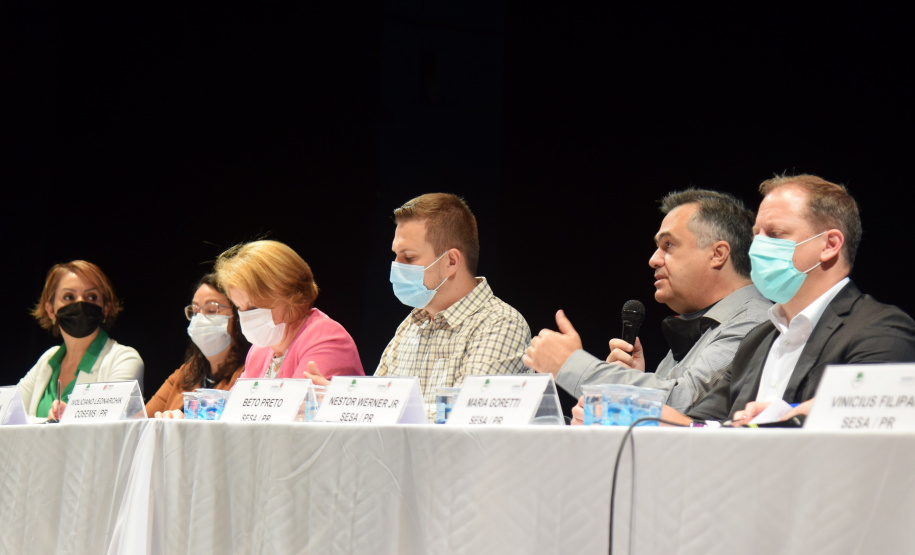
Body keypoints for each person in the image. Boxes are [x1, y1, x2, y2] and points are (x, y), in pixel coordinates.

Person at [656, 174, 915, 425]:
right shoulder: (756, 342)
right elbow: (697, 425)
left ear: (829, 245)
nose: (757, 247)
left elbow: (871, 427)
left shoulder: (881, 331)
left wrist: (786, 416)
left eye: (775, 234)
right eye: (756, 234)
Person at [524, 189, 771, 415]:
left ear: (718, 254)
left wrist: (571, 364)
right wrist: (620, 394)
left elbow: (681, 403)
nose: (654, 260)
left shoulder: (755, 322)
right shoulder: (701, 325)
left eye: (669, 245)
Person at [305, 193, 531, 421]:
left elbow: (467, 415)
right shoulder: (411, 326)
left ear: (451, 261)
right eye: (396, 255)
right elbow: (375, 406)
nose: (396, 266)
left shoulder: (501, 324)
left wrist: (362, 407)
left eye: (409, 257)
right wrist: (340, 402)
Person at [214, 239, 364, 381]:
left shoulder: (326, 339)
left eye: (254, 307)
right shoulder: (259, 351)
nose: (246, 317)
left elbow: (297, 406)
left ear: (290, 297)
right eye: (240, 307)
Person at [18, 260, 144, 423]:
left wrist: (49, 424)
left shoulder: (124, 360)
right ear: (50, 310)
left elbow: (107, 427)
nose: (80, 304)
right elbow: (8, 416)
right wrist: (46, 424)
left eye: (91, 297)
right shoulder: (47, 360)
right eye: (69, 297)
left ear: (105, 309)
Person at [145, 274, 250, 418]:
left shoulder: (248, 374)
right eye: (195, 312)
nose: (200, 319)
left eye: (212, 310)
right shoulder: (186, 373)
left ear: (237, 315)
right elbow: (140, 421)